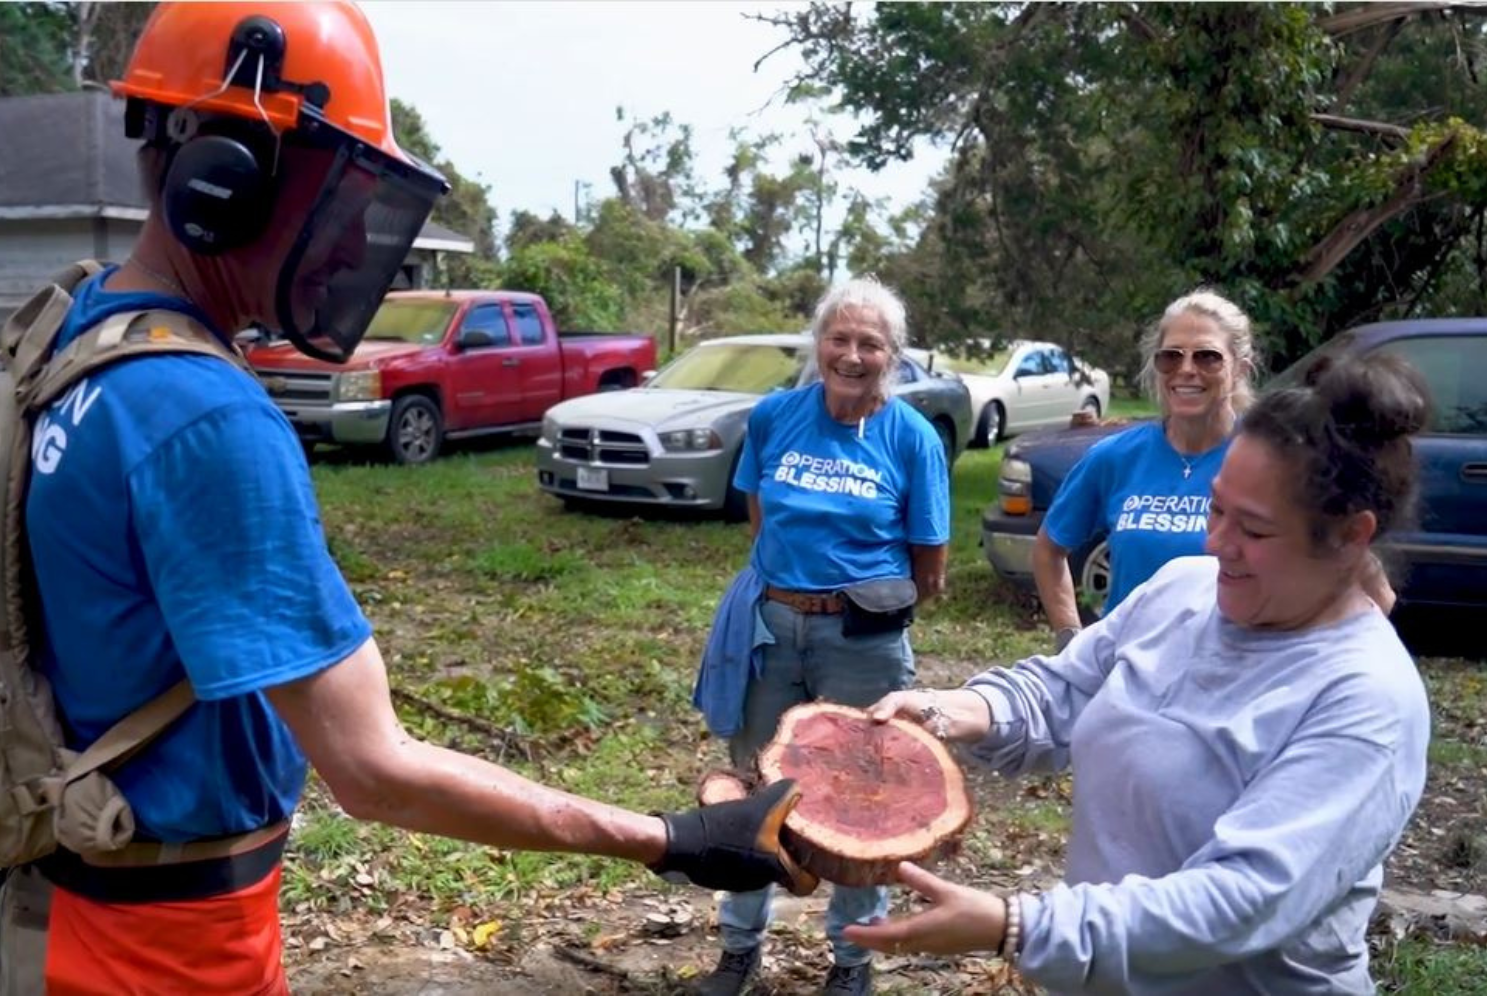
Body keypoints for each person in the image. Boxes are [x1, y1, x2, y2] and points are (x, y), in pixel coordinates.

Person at [0, 4, 809, 993]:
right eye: (329, 202)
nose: (344, 250)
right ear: (225, 182)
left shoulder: (72, 337)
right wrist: (672, 837)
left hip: (69, 898)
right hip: (166, 945)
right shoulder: (202, 416)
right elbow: (371, 769)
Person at [846, 351, 1433, 994]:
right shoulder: (1184, 588)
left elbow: (1239, 900)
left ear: (1350, 536)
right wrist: (948, 710)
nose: (1216, 543)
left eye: (1255, 531)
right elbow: (1066, 688)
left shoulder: (1367, 699)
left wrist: (1016, 926)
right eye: (1217, 509)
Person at [695, 277, 951, 996]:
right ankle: (740, 947)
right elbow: (760, 513)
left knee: (864, 801)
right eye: (838, 338)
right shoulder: (775, 416)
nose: (851, 354)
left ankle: (851, 961)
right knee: (752, 789)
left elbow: (929, 557)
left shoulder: (911, 437)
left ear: (891, 355)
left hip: (862, 639)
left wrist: (857, 609)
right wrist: (791, 592)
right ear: (818, 344)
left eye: (869, 343)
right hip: (769, 629)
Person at [1032, 290, 1259, 652]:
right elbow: (1048, 550)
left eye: (1207, 357)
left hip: (1231, 675)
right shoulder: (1115, 457)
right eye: (1171, 357)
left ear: (1239, 369)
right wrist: (1070, 639)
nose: (1186, 369)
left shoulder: (1270, 461)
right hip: (1127, 676)